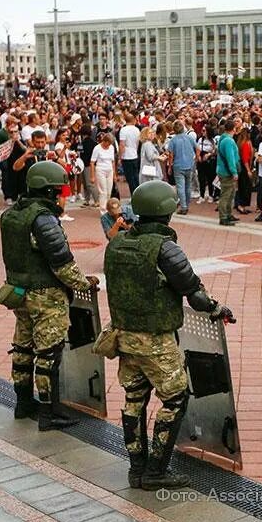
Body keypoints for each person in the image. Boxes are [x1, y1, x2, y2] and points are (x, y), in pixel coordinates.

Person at [104, 180, 235, 491]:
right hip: (156, 340)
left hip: (124, 336)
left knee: (134, 398)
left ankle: (136, 469)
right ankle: (157, 470)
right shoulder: (165, 248)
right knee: (175, 398)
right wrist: (218, 308)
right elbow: (194, 293)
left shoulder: (117, 243)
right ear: (166, 212)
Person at [0, 161, 98, 430]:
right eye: (59, 190)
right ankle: (48, 412)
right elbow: (61, 262)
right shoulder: (42, 218)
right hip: (46, 297)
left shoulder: (12, 214)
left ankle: (23, 403)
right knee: (48, 354)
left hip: (19, 293)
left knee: (22, 348)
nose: (61, 196)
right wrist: (83, 283)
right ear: (50, 190)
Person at [167, 121, 197, 214]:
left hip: (178, 165)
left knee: (180, 187)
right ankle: (186, 205)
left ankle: (183, 206)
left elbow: (171, 155)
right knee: (188, 186)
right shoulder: (189, 138)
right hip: (189, 164)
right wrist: (195, 159)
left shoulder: (173, 140)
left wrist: (170, 166)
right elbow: (198, 148)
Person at [216, 120, 240, 226]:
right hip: (227, 171)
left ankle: (228, 213)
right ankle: (224, 216)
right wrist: (234, 171)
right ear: (233, 129)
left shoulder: (223, 138)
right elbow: (230, 157)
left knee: (230, 194)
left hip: (223, 169)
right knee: (226, 195)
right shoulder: (229, 141)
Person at [90, 132, 118, 212]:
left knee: (109, 191)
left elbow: (113, 161)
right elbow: (92, 162)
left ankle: (108, 208)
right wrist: (92, 176)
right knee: (103, 192)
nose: (108, 145)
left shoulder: (111, 148)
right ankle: (103, 210)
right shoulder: (97, 148)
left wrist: (114, 174)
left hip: (109, 170)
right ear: (104, 141)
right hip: (100, 170)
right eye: (108, 143)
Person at [118, 114, 141, 195]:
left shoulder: (123, 130)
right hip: (134, 155)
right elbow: (137, 143)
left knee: (130, 179)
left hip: (126, 157)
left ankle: (134, 195)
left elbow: (122, 144)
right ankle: (138, 194)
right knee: (135, 177)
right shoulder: (137, 130)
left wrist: (120, 157)